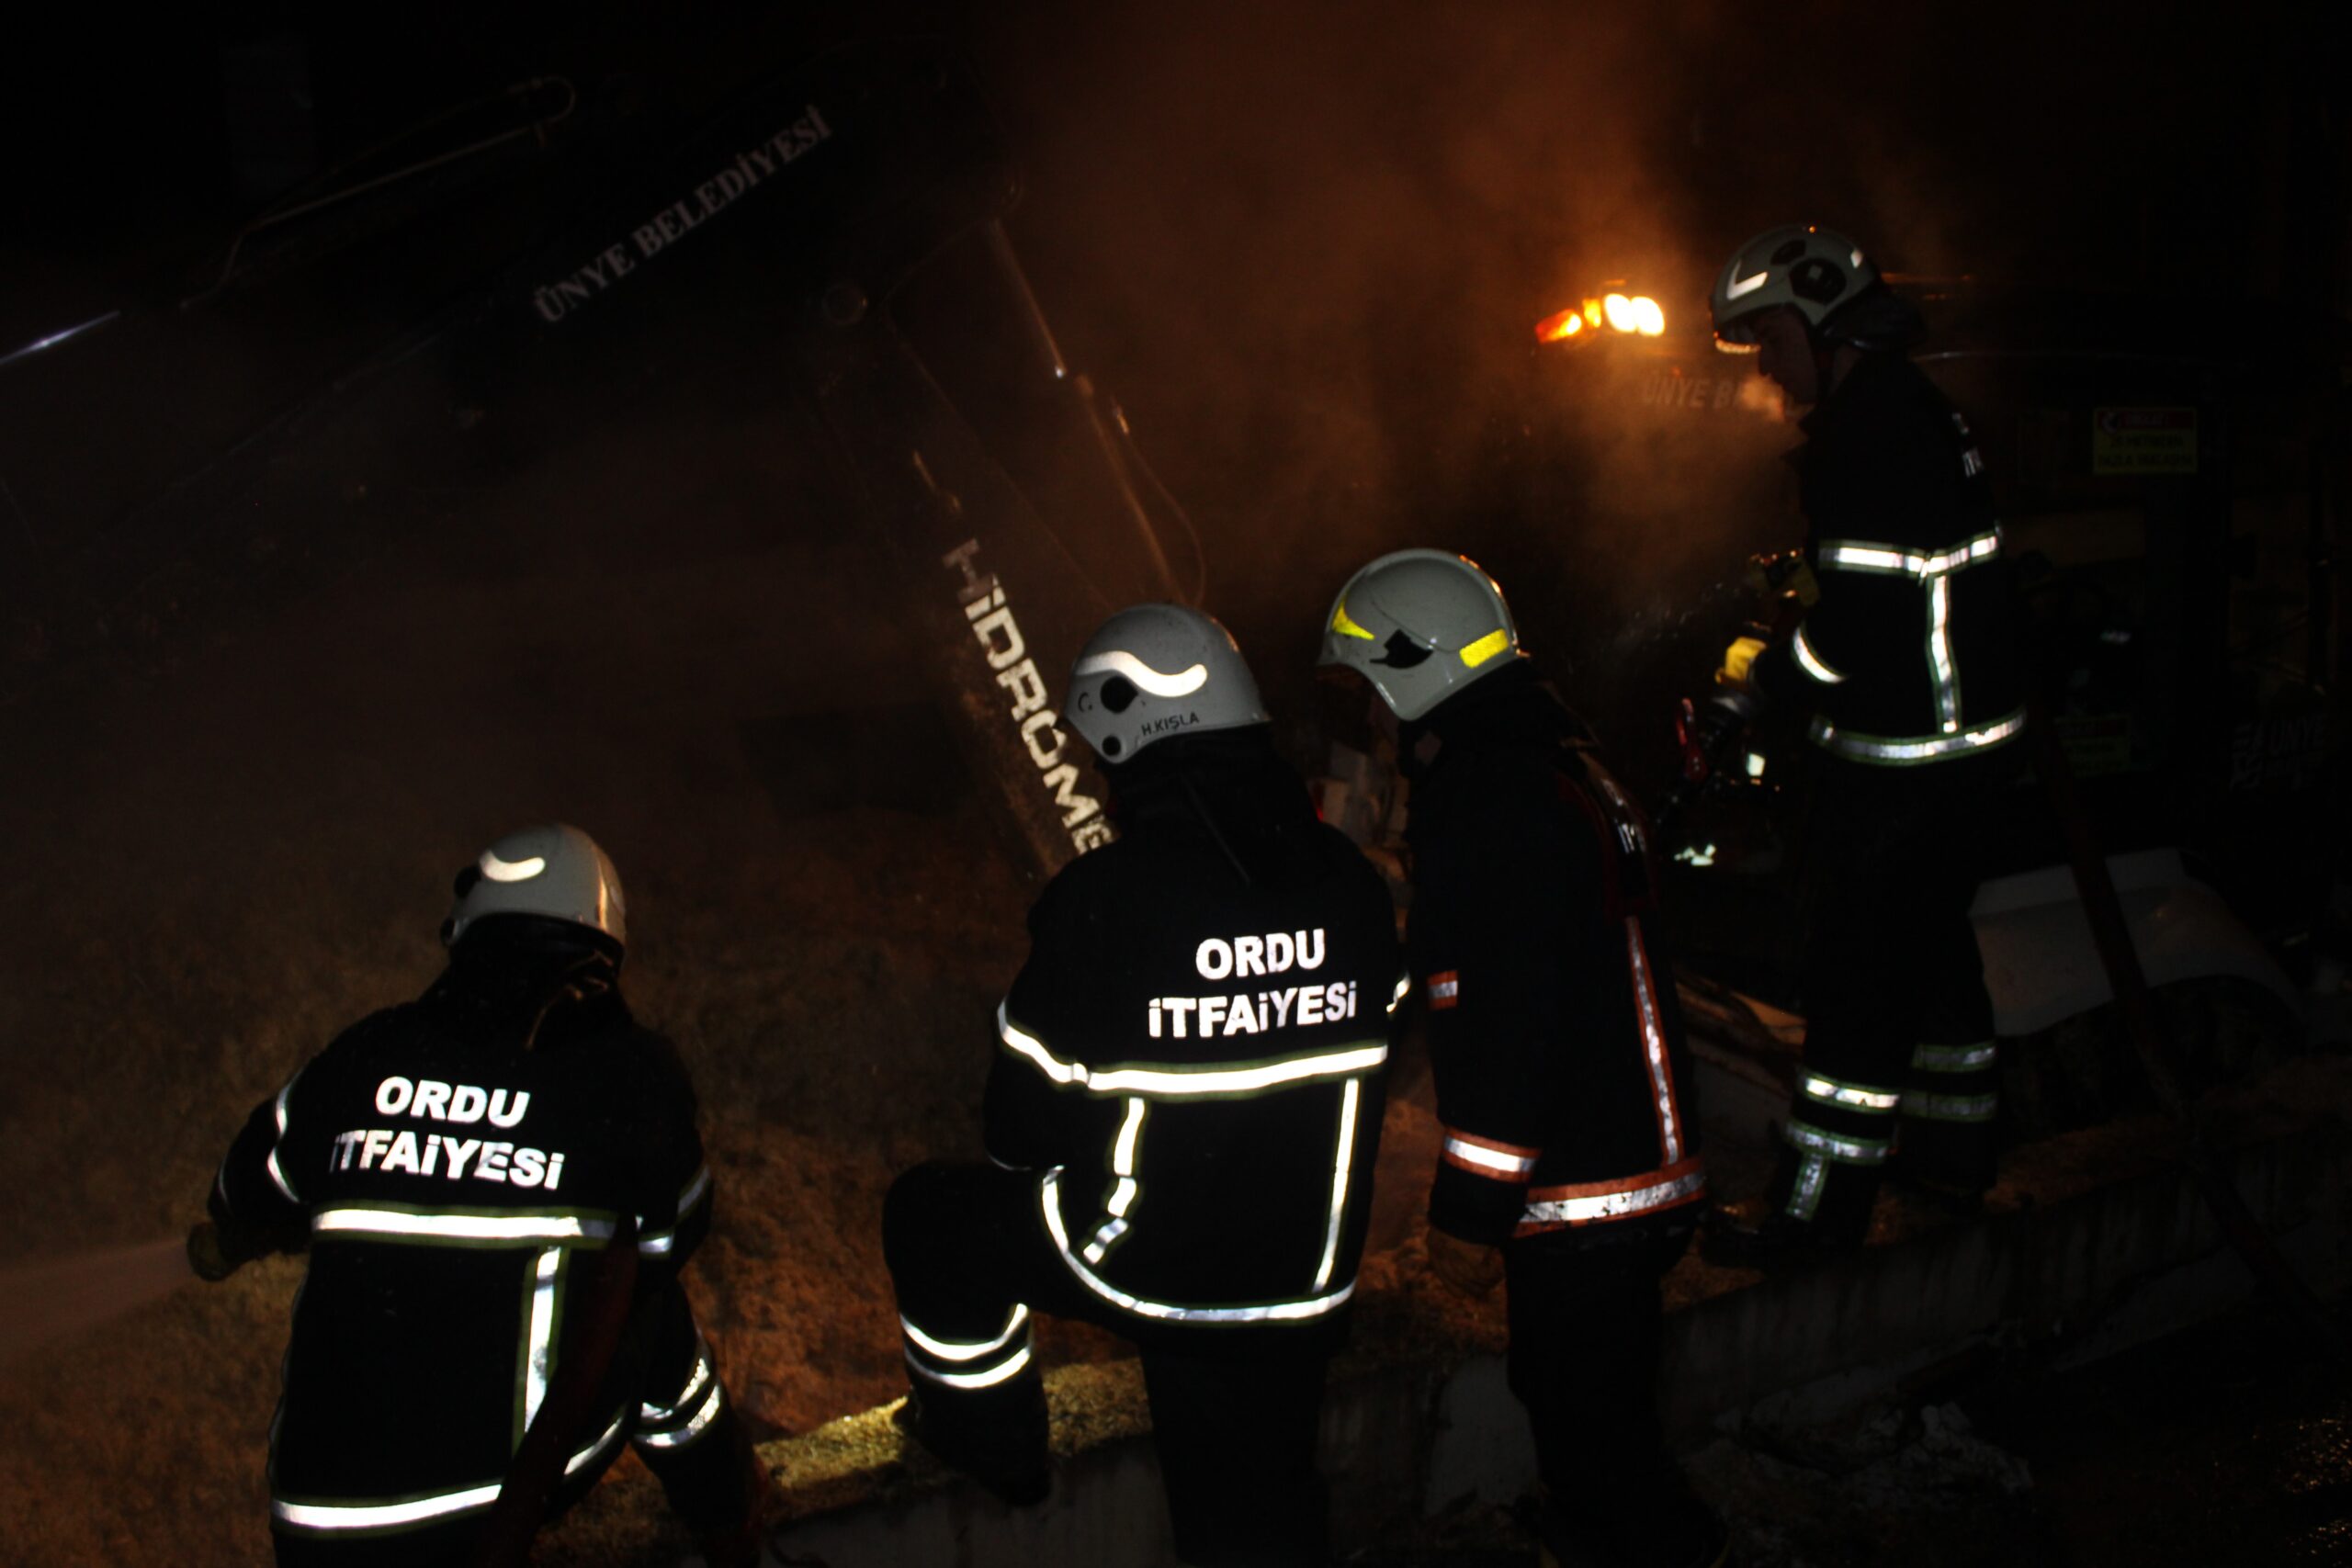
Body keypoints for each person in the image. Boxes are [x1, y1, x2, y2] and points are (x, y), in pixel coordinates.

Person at [883, 603, 1402, 1567]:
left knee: (928, 1218)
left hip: (1157, 1271)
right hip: (1310, 1277)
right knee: (1266, 1506)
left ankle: (995, 1451)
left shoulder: (1103, 902)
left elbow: (1017, 1128)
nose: (1098, 778)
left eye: (1101, 756)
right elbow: (1387, 1049)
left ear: (1131, 738)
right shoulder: (1353, 884)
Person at [189, 823, 765, 1567]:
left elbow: (241, 1192)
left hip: (310, 1522)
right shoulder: (627, 1073)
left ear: (466, 934)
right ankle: (731, 1519)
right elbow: (673, 1230)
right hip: (478, 1515)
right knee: (647, 1308)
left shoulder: (366, 1050)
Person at [1318, 549, 1725, 1568]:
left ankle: (1654, 1549)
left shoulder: (1492, 803)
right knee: (1592, 1402)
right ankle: (1600, 1531)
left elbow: (1508, 1023)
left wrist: (1468, 1211)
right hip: (1634, 1166)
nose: (1371, 720)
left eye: (1371, 691)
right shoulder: (1557, 766)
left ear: (1415, 673)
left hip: (1590, 1190)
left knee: (1592, 1425)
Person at [1701, 224, 2030, 1259]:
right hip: (1962, 756)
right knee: (1934, 963)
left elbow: (1858, 631)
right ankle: (1951, 1158)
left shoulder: (1864, 436)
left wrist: (1760, 684)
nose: (1764, 364)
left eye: (1769, 339)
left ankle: (1812, 1216)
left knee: (1856, 985)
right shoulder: (1912, 409)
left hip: (1903, 764)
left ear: (1821, 326)